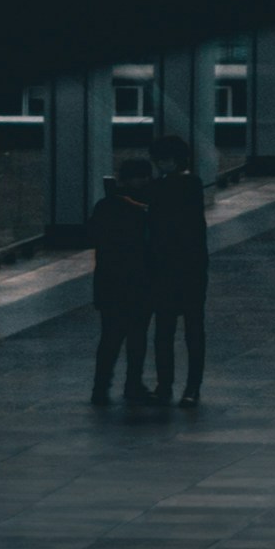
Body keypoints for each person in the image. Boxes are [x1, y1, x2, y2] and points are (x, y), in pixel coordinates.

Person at [146, 135, 210, 408]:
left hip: (173, 267)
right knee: (190, 330)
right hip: (188, 267)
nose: (162, 164)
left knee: (167, 330)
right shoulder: (189, 184)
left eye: (165, 159)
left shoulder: (179, 185)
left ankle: (167, 385)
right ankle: (189, 387)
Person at [86, 152, 154, 407]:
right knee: (136, 336)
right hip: (138, 281)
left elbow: (92, 236)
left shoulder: (106, 206)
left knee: (110, 337)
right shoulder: (144, 209)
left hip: (109, 282)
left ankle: (101, 386)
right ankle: (132, 384)